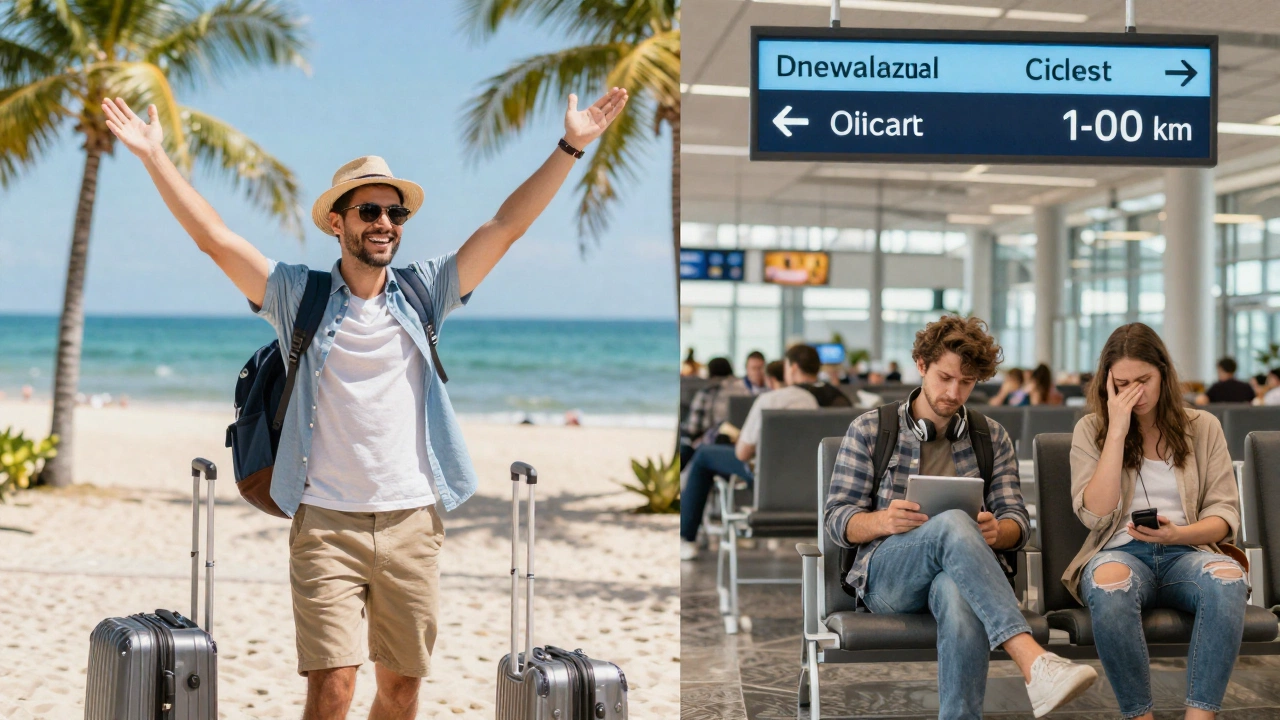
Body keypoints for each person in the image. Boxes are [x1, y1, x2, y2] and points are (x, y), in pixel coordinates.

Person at [103, 87, 627, 720]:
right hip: (325, 522)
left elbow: (505, 227)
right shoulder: (300, 296)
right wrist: (154, 155)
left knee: (402, 690)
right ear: (338, 221)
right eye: (370, 210)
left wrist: (569, 148)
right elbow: (214, 240)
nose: (385, 223)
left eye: (395, 214)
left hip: (413, 520)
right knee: (333, 688)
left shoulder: (424, 292)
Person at [826, 316, 1096, 719]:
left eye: (966, 383)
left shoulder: (992, 437)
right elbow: (836, 519)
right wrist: (883, 521)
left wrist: (996, 531)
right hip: (888, 581)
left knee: (957, 589)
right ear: (921, 364)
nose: (953, 393)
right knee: (954, 521)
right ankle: (1032, 660)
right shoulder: (871, 429)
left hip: (962, 578)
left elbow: (1018, 523)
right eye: (945, 377)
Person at [1065, 323, 1246, 720]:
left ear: (1164, 373)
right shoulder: (1091, 430)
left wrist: (1179, 533)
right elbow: (1094, 514)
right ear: (1108, 384)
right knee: (1111, 585)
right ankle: (1140, 716)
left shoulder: (1202, 427)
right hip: (1120, 552)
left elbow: (1224, 515)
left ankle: (1200, 716)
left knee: (1229, 580)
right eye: (1123, 383)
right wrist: (1116, 431)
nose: (1136, 393)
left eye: (1144, 380)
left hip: (1188, 550)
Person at [680, 345, 843, 560]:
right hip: (811, 492)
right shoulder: (816, 401)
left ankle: (687, 538)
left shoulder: (769, 401)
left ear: (791, 368)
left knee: (703, 455)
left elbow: (742, 454)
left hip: (766, 487)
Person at [680, 357, 745, 466]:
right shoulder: (744, 390)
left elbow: (693, 427)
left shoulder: (708, 391)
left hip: (713, 442)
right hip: (740, 443)